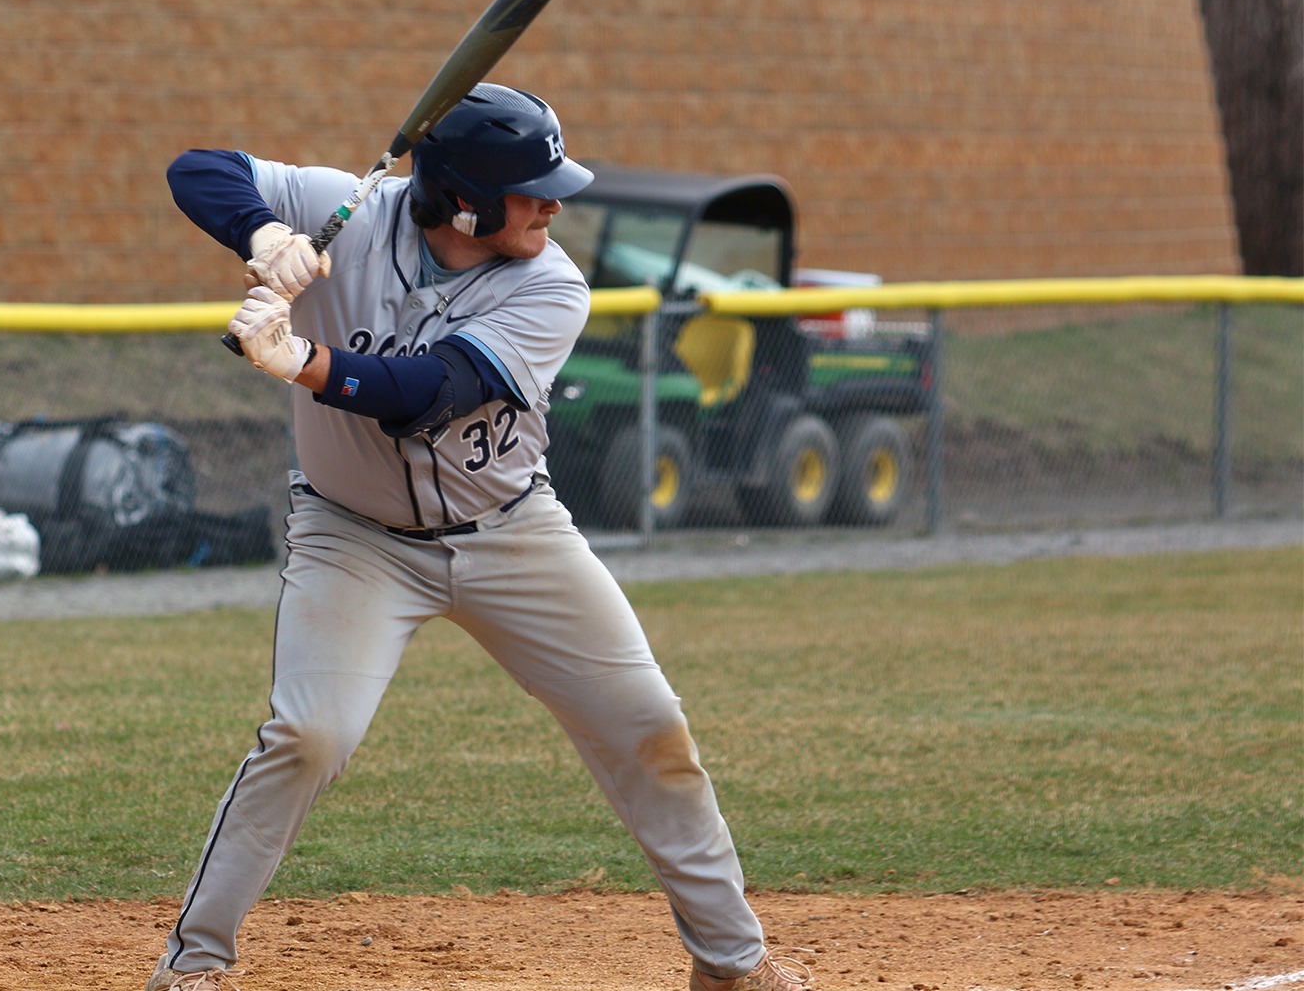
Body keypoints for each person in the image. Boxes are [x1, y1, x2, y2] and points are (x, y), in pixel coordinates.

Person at [149, 85, 815, 991]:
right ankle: (194, 968)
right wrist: (265, 236)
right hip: (355, 537)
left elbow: (431, 395)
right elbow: (199, 170)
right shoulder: (351, 206)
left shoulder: (552, 283)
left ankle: (733, 966)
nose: (554, 205)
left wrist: (300, 362)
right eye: (534, 189)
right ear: (464, 202)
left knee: (650, 728)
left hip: (514, 533)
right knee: (307, 734)